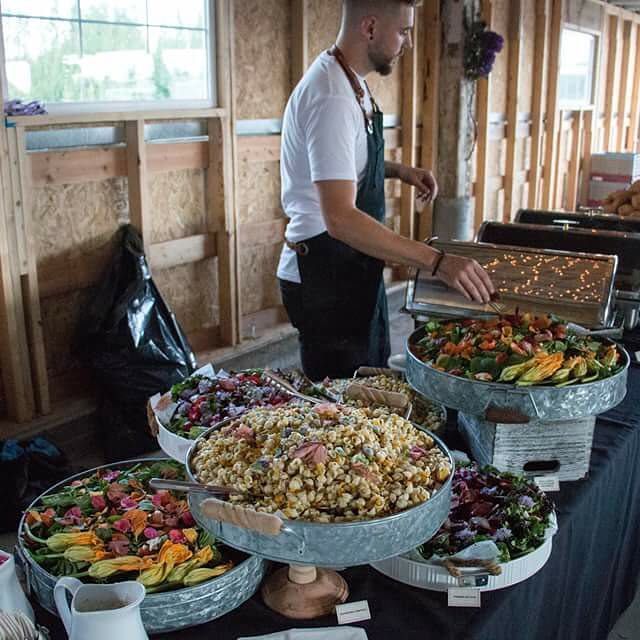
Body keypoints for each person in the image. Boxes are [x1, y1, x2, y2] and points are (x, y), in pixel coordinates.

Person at [277, 0, 495, 380]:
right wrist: (437, 261)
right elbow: (340, 218)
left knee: (370, 381)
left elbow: (340, 163)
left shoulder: (351, 82)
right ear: (370, 28)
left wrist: (397, 171)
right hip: (324, 276)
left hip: (351, 265)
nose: (408, 43)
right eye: (404, 31)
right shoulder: (331, 96)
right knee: (341, 399)